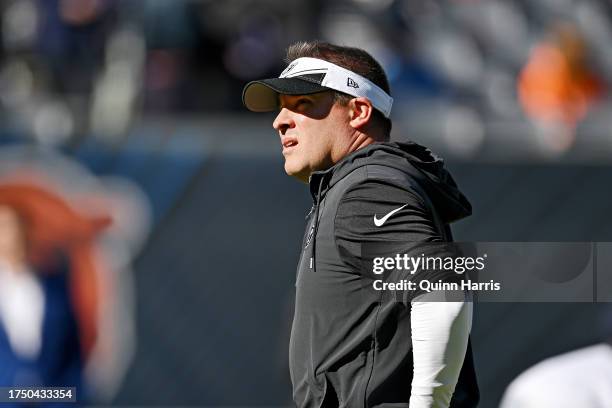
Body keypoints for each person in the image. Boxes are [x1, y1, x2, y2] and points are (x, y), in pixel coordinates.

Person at [242, 41, 479, 408]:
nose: (279, 121)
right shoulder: (352, 185)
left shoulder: (367, 186)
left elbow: (441, 288)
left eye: (302, 104)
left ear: (358, 111)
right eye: (281, 109)